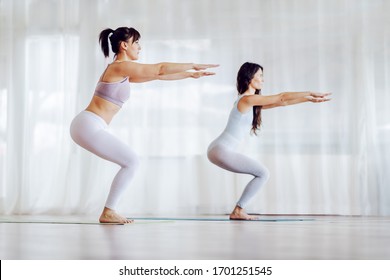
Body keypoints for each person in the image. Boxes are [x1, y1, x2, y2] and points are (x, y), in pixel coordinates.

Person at [70, 27, 218, 224]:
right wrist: (193, 65)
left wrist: (189, 75)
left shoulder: (123, 70)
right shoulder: (119, 67)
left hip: (90, 125)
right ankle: (108, 211)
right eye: (136, 42)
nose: (140, 47)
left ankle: (109, 211)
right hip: (88, 124)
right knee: (131, 161)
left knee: (130, 161)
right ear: (124, 45)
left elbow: (158, 75)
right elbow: (159, 68)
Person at [207, 62, 331, 220]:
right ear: (249, 78)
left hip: (218, 149)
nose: (263, 80)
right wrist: (310, 92)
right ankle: (238, 210)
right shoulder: (247, 100)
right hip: (221, 149)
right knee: (263, 173)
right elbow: (281, 96)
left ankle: (238, 210)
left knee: (262, 173)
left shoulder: (250, 102)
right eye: (260, 76)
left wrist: (308, 99)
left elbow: (282, 102)